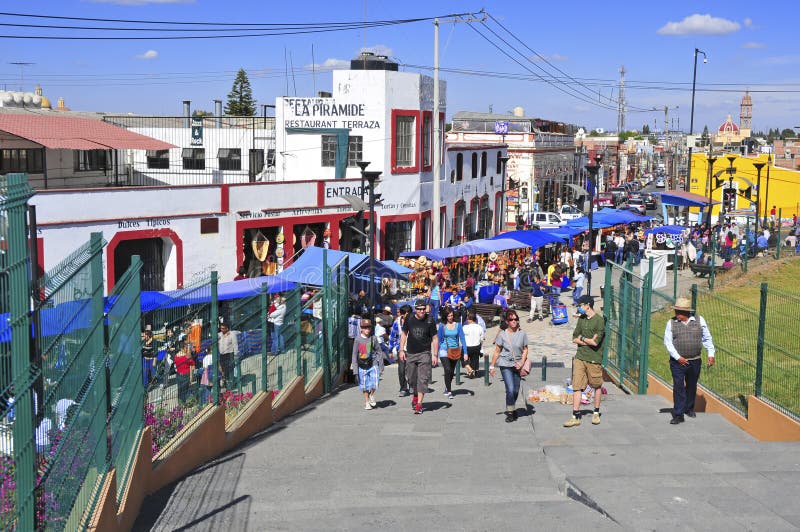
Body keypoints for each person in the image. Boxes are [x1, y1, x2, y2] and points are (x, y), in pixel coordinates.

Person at [663, 297, 715, 425]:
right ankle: (678, 414)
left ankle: (689, 408)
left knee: (692, 385)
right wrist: (678, 358)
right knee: (679, 386)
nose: (676, 314)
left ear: (686, 312)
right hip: (677, 362)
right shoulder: (671, 323)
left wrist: (711, 353)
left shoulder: (699, 320)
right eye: (675, 311)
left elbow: (707, 337)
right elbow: (668, 342)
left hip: (695, 360)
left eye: (678, 312)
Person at [564, 295, 606, 428]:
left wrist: (582, 339)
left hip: (594, 358)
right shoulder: (581, 319)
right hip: (580, 357)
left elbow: (595, 342)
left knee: (596, 385)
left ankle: (596, 412)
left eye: (581, 305)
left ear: (588, 305)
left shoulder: (599, 321)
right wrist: (585, 339)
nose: (579, 307)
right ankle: (575, 415)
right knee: (577, 385)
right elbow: (574, 337)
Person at [399, 299, 439, 414]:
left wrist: (435, 355)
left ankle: (419, 404)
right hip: (411, 353)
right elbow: (404, 334)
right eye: (419, 309)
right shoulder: (409, 318)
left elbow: (435, 338)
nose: (421, 311)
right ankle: (415, 395)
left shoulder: (430, 320)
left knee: (422, 379)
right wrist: (401, 350)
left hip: (424, 353)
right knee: (411, 378)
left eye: (423, 309)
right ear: (415, 309)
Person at [489, 310, 529, 423]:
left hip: (518, 365)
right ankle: (510, 412)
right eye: (511, 320)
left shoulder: (522, 334)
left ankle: (512, 407)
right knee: (510, 389)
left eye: (516, 319)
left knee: (516, 391)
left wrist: (521, 362)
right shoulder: (502, 335)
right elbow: (497, 351)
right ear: (507, 321)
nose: (514, 321)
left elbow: (526, 349)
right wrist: (492, 366)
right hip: (505, 364)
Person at [351, 319, 384, 410]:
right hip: (362, 365)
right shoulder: (357, 339)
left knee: (375, 382)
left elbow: (379, 352)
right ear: (361, 328)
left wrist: (381, 366)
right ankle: (366, 402)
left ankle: (371, 395)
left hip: (373, 364)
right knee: (364, 385)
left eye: (368, 327)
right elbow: (354, 354)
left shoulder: (373, 338)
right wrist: (355, 370)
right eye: (364, 327)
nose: (367, 329)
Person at [437, 308, 467, 399]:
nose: (450, 317)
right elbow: (439, 339)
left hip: (454, 350)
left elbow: (462, 339)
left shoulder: (458, 325)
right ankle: (449, 391)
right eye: (448, 316)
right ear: (445, 316)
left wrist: (465, 352)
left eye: (452, 315)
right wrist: (437, 352)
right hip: (444, 350)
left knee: (451, 372)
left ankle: (447, 387)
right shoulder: (442, 326)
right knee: (447, 369)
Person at [391, 305, 411, 396]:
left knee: (412, 369)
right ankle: (403, 388)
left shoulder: (414, 321)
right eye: (405, 315)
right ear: (402, 315)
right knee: (401, 370)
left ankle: (412, 385)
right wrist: (391, 349)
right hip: (401, 349)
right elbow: (392, 336)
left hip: (412, 349)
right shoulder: (397, 322)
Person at [462, 309, 484, 379]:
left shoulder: (465, 327)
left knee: (462, 358)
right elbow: (482, 339)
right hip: (476, 346)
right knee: (474, 360)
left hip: (467, 347)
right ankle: (473, 371)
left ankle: (470, 369)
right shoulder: (480, 327)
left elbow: (461, 339)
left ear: (468, 318)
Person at [218, 321, 239, 389]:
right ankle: (225, 383)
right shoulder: (219, 335)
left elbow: (235, 344)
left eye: (223, 328)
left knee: (230, 369)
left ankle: (231, 383)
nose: (222, 330)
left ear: (227, 328)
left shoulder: (232, 334)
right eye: (221, 328)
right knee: (222, 370)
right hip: (222, 354)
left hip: (229, 354)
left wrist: (236, 354)